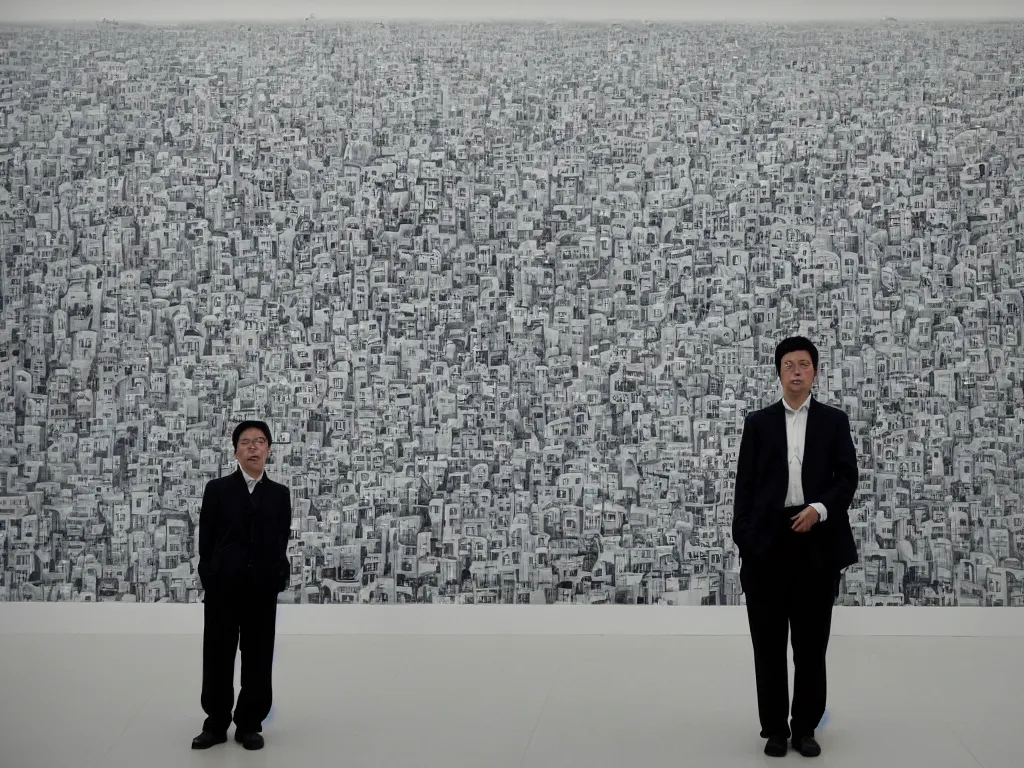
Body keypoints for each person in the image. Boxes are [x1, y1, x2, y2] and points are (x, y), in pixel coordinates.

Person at [732, 337, 859, 758]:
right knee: (767, 644)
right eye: (789, 365)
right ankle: (774, 730)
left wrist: (819, 510)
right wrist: (748, 542)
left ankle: (806, 728)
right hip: (767, 543)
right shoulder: (758, 422)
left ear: (815, 372)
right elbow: (744, 489)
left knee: (810, 644)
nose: (797, 371)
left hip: (817, 542)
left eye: (804, 364)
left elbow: (847, 478)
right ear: (779, 372)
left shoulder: (834, 421)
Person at [192, 420, 292, 751]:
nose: (253, 447)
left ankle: (249, 723)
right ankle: (216, 723)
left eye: (260, 441)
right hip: (223, 587)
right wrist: (210, 575)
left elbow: (281, 540)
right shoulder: (218, 489)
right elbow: (206, 540)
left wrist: (277, 575)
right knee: (218, 655)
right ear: (235, 450)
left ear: (268, 449)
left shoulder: (279, 495)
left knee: (258, 657)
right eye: (246, 441)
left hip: (262, 589)